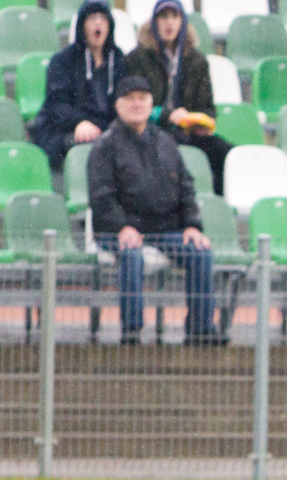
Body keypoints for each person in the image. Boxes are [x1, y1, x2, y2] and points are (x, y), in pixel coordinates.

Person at [88, 75, 218, 347]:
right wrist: (122, 227)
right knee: (132, 255)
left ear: (151, 104)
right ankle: (132, 332)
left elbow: (186, 186)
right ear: (118, 105)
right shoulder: (104, 146)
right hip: (118, 230)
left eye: (142, 98)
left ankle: (200, 329)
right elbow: (101, 196)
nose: (137, 104)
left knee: (201, 252)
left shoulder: (166, 141)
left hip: (164, 228)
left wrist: (193, 225)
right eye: (130, 99)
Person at [125, 0, 233, 196]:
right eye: (164, 16)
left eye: (175, 16)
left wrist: (201, 122)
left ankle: (218, 203)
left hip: (187, 131)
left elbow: (208, 107)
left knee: (225, 151)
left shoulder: (197, 61)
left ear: (182, 22)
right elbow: (133, 104)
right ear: (154, 22)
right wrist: (168, 115)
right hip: (151, 129)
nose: (169, 23)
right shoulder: (137, 58)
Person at [32, 0, 128, 169]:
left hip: (107, 131)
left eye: (103, 19)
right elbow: (57, 104)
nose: (98, 23)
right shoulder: (63, 60)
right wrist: (79, 122)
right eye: (92, 18)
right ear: (82, 26)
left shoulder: (119, 61)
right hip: (68, 129)